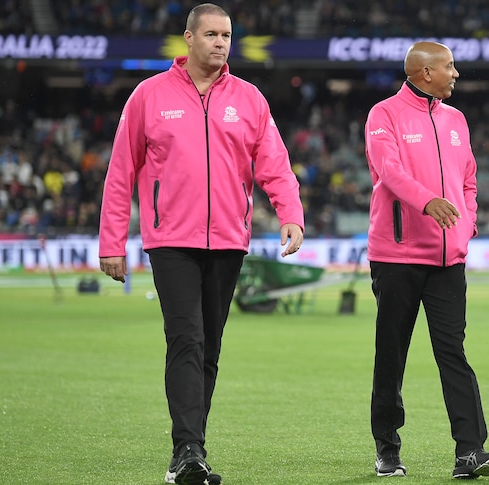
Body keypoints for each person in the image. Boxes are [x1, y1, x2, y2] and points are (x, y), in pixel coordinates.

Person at [98, 4, 305, 485]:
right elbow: (120, 172)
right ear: (187, 39)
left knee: (209, 347)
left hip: (229, 240)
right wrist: (112, 240)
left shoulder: (250, 99)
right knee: (186, 339)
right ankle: (187, 449)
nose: (220, 42)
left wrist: (290, 213)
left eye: (227, 35)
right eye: (210, 33)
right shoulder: (149, 96)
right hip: (170, 239)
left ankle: (192, 449)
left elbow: (274, 162)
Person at [363, 41, 489, 480]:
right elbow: (389, 170)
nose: (456, 73)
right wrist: (427, 202)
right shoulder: (383, 114)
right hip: (396, 256)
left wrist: (465, 229)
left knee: (453, 354)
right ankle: (387, 449)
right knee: (392, 355)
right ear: (425, 73)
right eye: (449, 66)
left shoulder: (457, 119)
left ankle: (470, 451)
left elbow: (468, 181)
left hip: (447, 261)